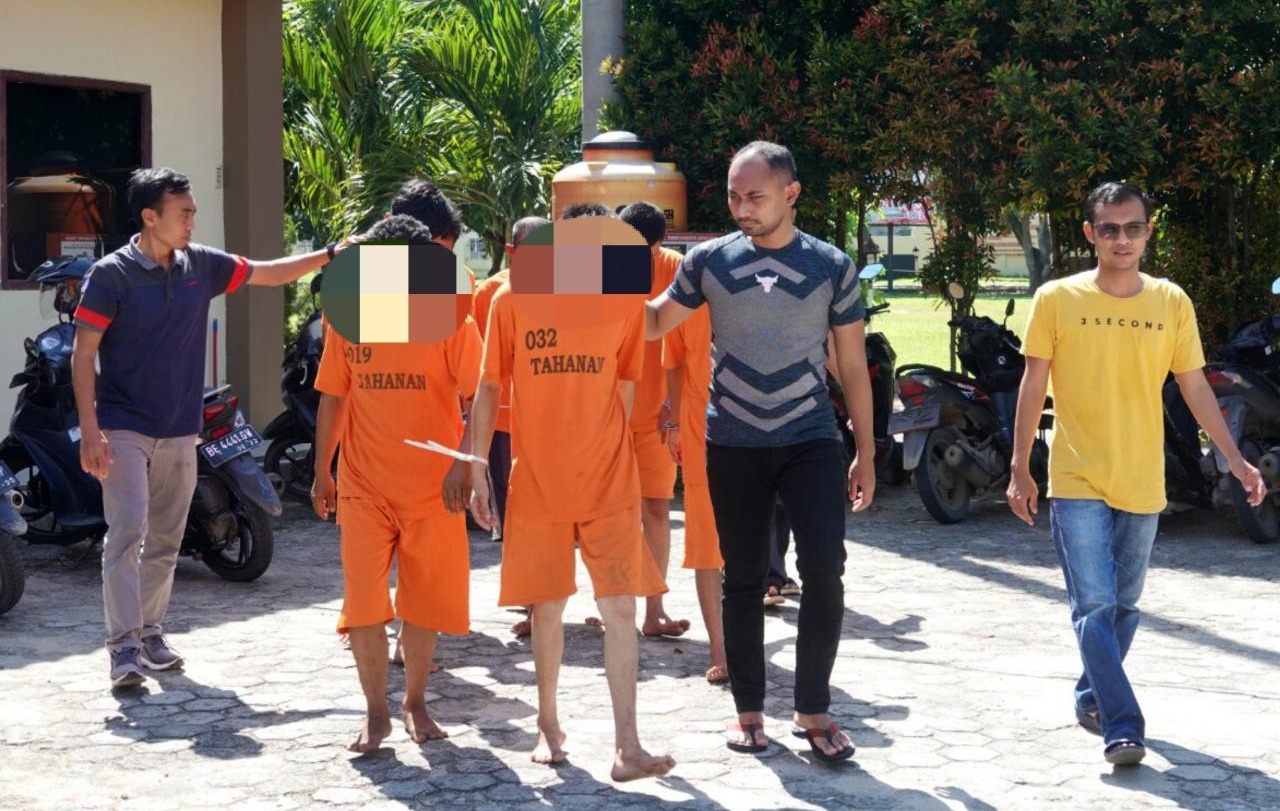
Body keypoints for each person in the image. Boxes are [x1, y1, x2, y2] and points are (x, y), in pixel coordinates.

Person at [1007, 181, 1266, 766]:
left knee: (1125, 606)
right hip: (1076, 474)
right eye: (1109, 229)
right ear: (1090, 234)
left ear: (1149, 232)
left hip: (1143, 477)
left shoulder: (1171, 302)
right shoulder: (1056, 299)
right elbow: (1032, 384)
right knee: (1094, 605)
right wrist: (1020, 466)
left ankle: (1091, 694)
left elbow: (1194, 386)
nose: (1121, 239)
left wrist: (1233, 457)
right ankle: (1123, 725)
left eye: (1132, 228)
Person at [72, 167, 351, 689]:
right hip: (123, 426)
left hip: (181, 427)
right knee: (127, 532)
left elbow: (269, 272)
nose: (192, 222)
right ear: (149, 216)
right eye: (184, 213)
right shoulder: (111, 275)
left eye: (194, 212)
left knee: (166, 538)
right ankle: (123, 648)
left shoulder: (201, 264)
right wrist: (91, 430)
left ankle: (151, 634)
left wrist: (331, 253)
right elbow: (83, 354)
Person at [643, 141, 875, 762]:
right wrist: (576, 281)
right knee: (743, 578)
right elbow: (653, 320)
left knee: (824, 569)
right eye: (734, 197)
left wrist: (868, 452)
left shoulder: (831, 266)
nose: (742, 208)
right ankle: (748, 712)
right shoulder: (709, 262)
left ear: (790, 194)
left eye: (755, 196)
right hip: (733, 441)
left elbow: (852, 365)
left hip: (810, 439)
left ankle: (812, 709)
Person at [467, 211, 676, 781]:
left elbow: (625, 390)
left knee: (621, 608)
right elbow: (489, 386)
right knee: (547, 608)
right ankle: (548, 724)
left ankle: (627, 747)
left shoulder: (624, 304)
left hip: (609, 481)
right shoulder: (511, 300)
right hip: (538, 481)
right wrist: (478, 466)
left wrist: (608, 451)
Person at [310, 214, 483, 753]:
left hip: (435, 487)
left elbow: (480, 394)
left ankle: (415, 702)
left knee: (423, 600)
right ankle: (376, 712)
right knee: (364, 600)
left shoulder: (451, 317)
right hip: (363, 484)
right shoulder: (350, 315)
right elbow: (334, 396)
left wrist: (464, 463)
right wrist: (322, 470)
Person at [619, 201, 689, 638]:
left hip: (658, 417)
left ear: (660, 243)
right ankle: (616, 604)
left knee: (656, 509)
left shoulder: (677, 269)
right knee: (611, 516)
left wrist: (675, 410)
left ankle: (654, 609)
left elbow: (684, 347)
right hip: (611, 414)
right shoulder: (600, 266)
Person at [661, 293, 728, 683]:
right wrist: (673, 423)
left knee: (743, 551)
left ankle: (740, 643)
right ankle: (719, 648)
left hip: (753, 438)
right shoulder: (687, 297)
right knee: (705, 549)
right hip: (700, 435)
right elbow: (673, 363)